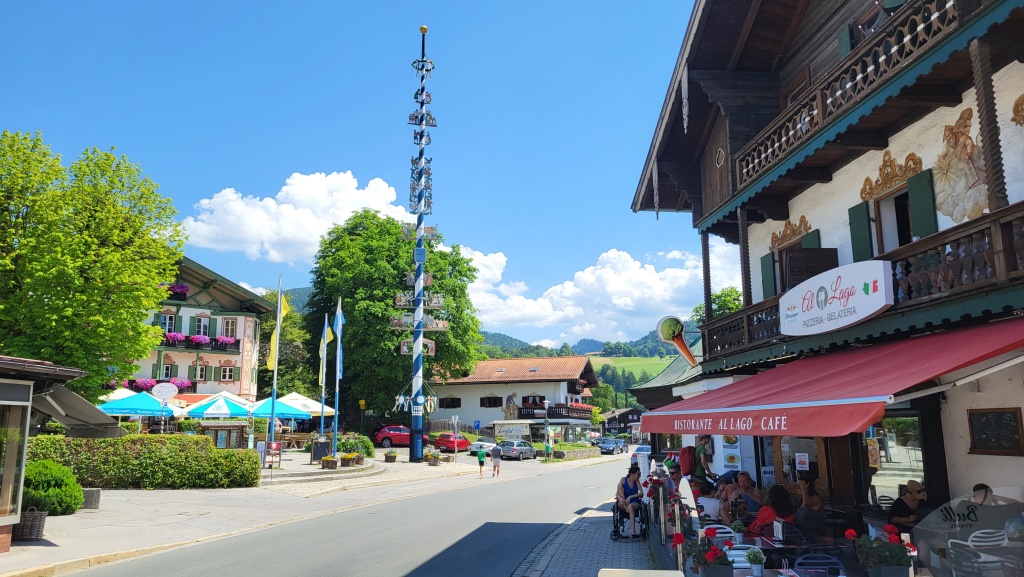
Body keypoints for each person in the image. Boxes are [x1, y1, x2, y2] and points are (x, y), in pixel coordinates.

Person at [795, 477, 826, 542]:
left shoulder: (815, 498)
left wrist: (804, 488)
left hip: (812, 534)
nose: (797, 488)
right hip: (800, 533)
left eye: (799, 486)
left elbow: (807, 502)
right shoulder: (801, 500)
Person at [616, 465, 643, 538]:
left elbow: (641, 493)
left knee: (630, 506)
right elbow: (617, 493)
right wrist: (621, 498)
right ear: (632, 474)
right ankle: (626, 507)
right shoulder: (623, 480)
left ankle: (633, 531)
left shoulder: (637, 482)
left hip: (634, 502)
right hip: (623, 501)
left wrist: (630, 497)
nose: (639, 476)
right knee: (619, 486)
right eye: (638, 474)